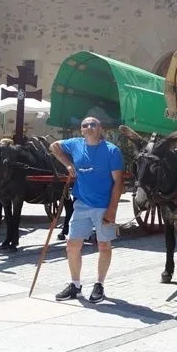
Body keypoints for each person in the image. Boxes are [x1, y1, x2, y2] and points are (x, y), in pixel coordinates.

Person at [50, 116, 123, 303]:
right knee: (72, 245)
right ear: (81, 130)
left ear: (101, 129)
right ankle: (75, 285)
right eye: (85, 125)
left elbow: (118, 182)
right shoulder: (75, 144)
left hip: (103, 205)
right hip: (81, 204)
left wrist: (112, 210)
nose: (89, 127)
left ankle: (99, 284)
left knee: (104, 246)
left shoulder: (112, 151)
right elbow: (54, 146)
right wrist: (67, 164)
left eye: (93, 125)